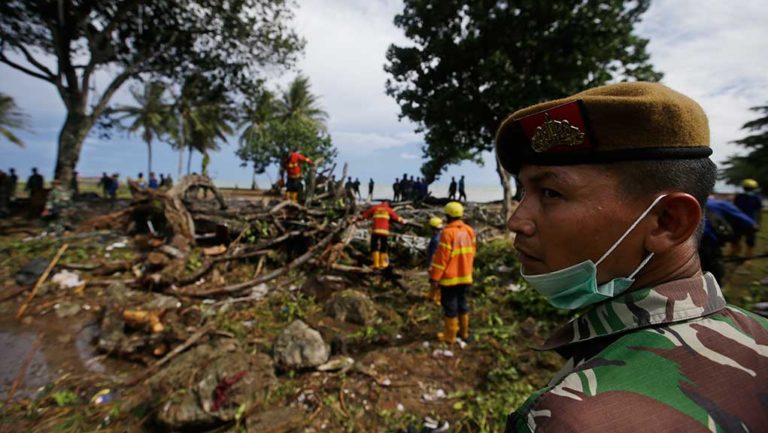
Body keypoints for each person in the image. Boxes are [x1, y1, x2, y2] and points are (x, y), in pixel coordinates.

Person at [495, 82, 768, 432]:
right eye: (522, 191)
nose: (516, 220)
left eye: (551, 192)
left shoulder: (570, 418)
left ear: (669, 222)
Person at [428, 202, 476, 343]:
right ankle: (464, 333)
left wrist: (435, 277)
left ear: (448, 215)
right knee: (462, 303)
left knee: (450, 306)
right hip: (465, 275)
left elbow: (441, 259)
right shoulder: (469, 231)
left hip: (450, 278)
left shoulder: (447, 233)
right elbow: (472, 253)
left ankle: (450, 337)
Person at [700, 197, 756, 284]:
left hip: (686, 240)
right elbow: (746, 220)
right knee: (714, 271)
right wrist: (753, 226)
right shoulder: (721, 204)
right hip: (707, 240)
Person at [359, 201, 407, 270]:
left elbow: (365, 215)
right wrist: (404, 221)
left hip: (376, 231)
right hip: (384, 232)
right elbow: (396, 217)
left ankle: (376, 264)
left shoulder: (375, 208)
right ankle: (383, 263)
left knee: (374, 246)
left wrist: (357, 218)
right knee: (384, 246)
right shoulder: (388, 209)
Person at [731, 178, 763, 258]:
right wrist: (758, 223)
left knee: (740, 239)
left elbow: (733, 210)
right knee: (745, 240)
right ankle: (744, 255)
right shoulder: (756, 198)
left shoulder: (739, 197)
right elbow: (759, 212)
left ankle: (742, 254)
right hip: (749, 222)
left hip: (740, 222)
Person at [425, 216, 444, 304]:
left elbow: (434, 253)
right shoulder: (443, 236)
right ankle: (431, 296)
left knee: (435, 281)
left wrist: (430, 265)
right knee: (435, 281)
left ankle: (437, 299)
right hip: (441, 263)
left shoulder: (436, 239)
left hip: (436, 264)